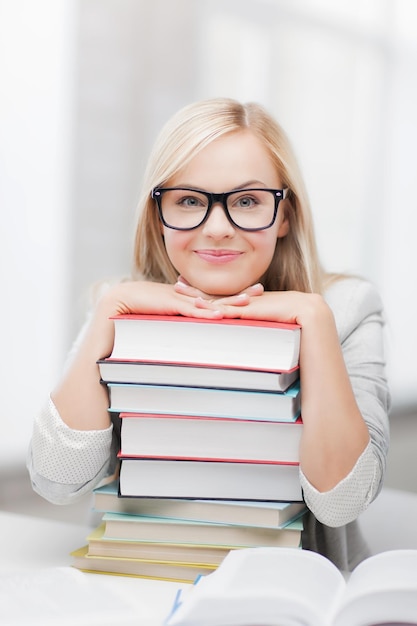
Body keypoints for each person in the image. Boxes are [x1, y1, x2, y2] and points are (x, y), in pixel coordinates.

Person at [27, 97, 390, 571]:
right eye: (190, 201)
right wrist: (107, 316)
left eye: (246, 201)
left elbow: (341, 503)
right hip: (139, 587)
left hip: (289, 595)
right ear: (158, 214)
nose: (217, 228)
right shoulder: (121, 303)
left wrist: (314, 322)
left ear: (284, 215)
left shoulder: (345, 309)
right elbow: (58, 481)